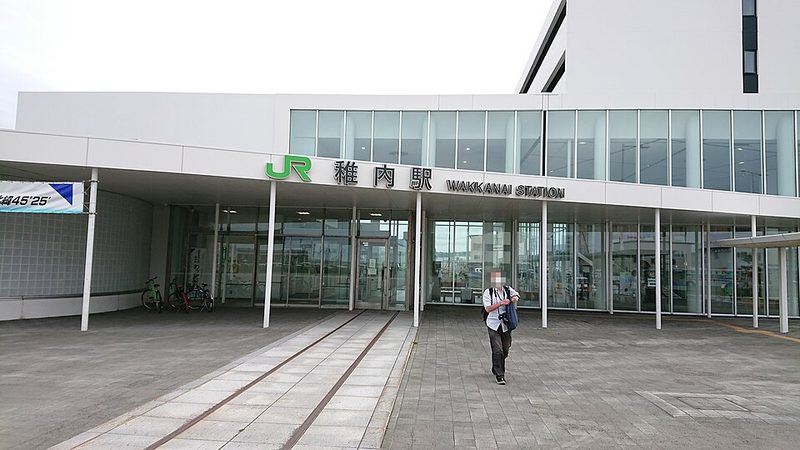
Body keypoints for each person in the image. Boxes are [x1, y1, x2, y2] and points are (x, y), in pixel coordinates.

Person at [482, 271, 520, 385]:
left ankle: (496, 365)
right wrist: (501, 303)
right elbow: (488, 309)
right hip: (493, 324)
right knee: (497, 349)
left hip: (506, 324)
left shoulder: (508, 290)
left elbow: (516, 296)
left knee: (505, 349)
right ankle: (500, 375)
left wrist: (512, 300)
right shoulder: (488, 292)